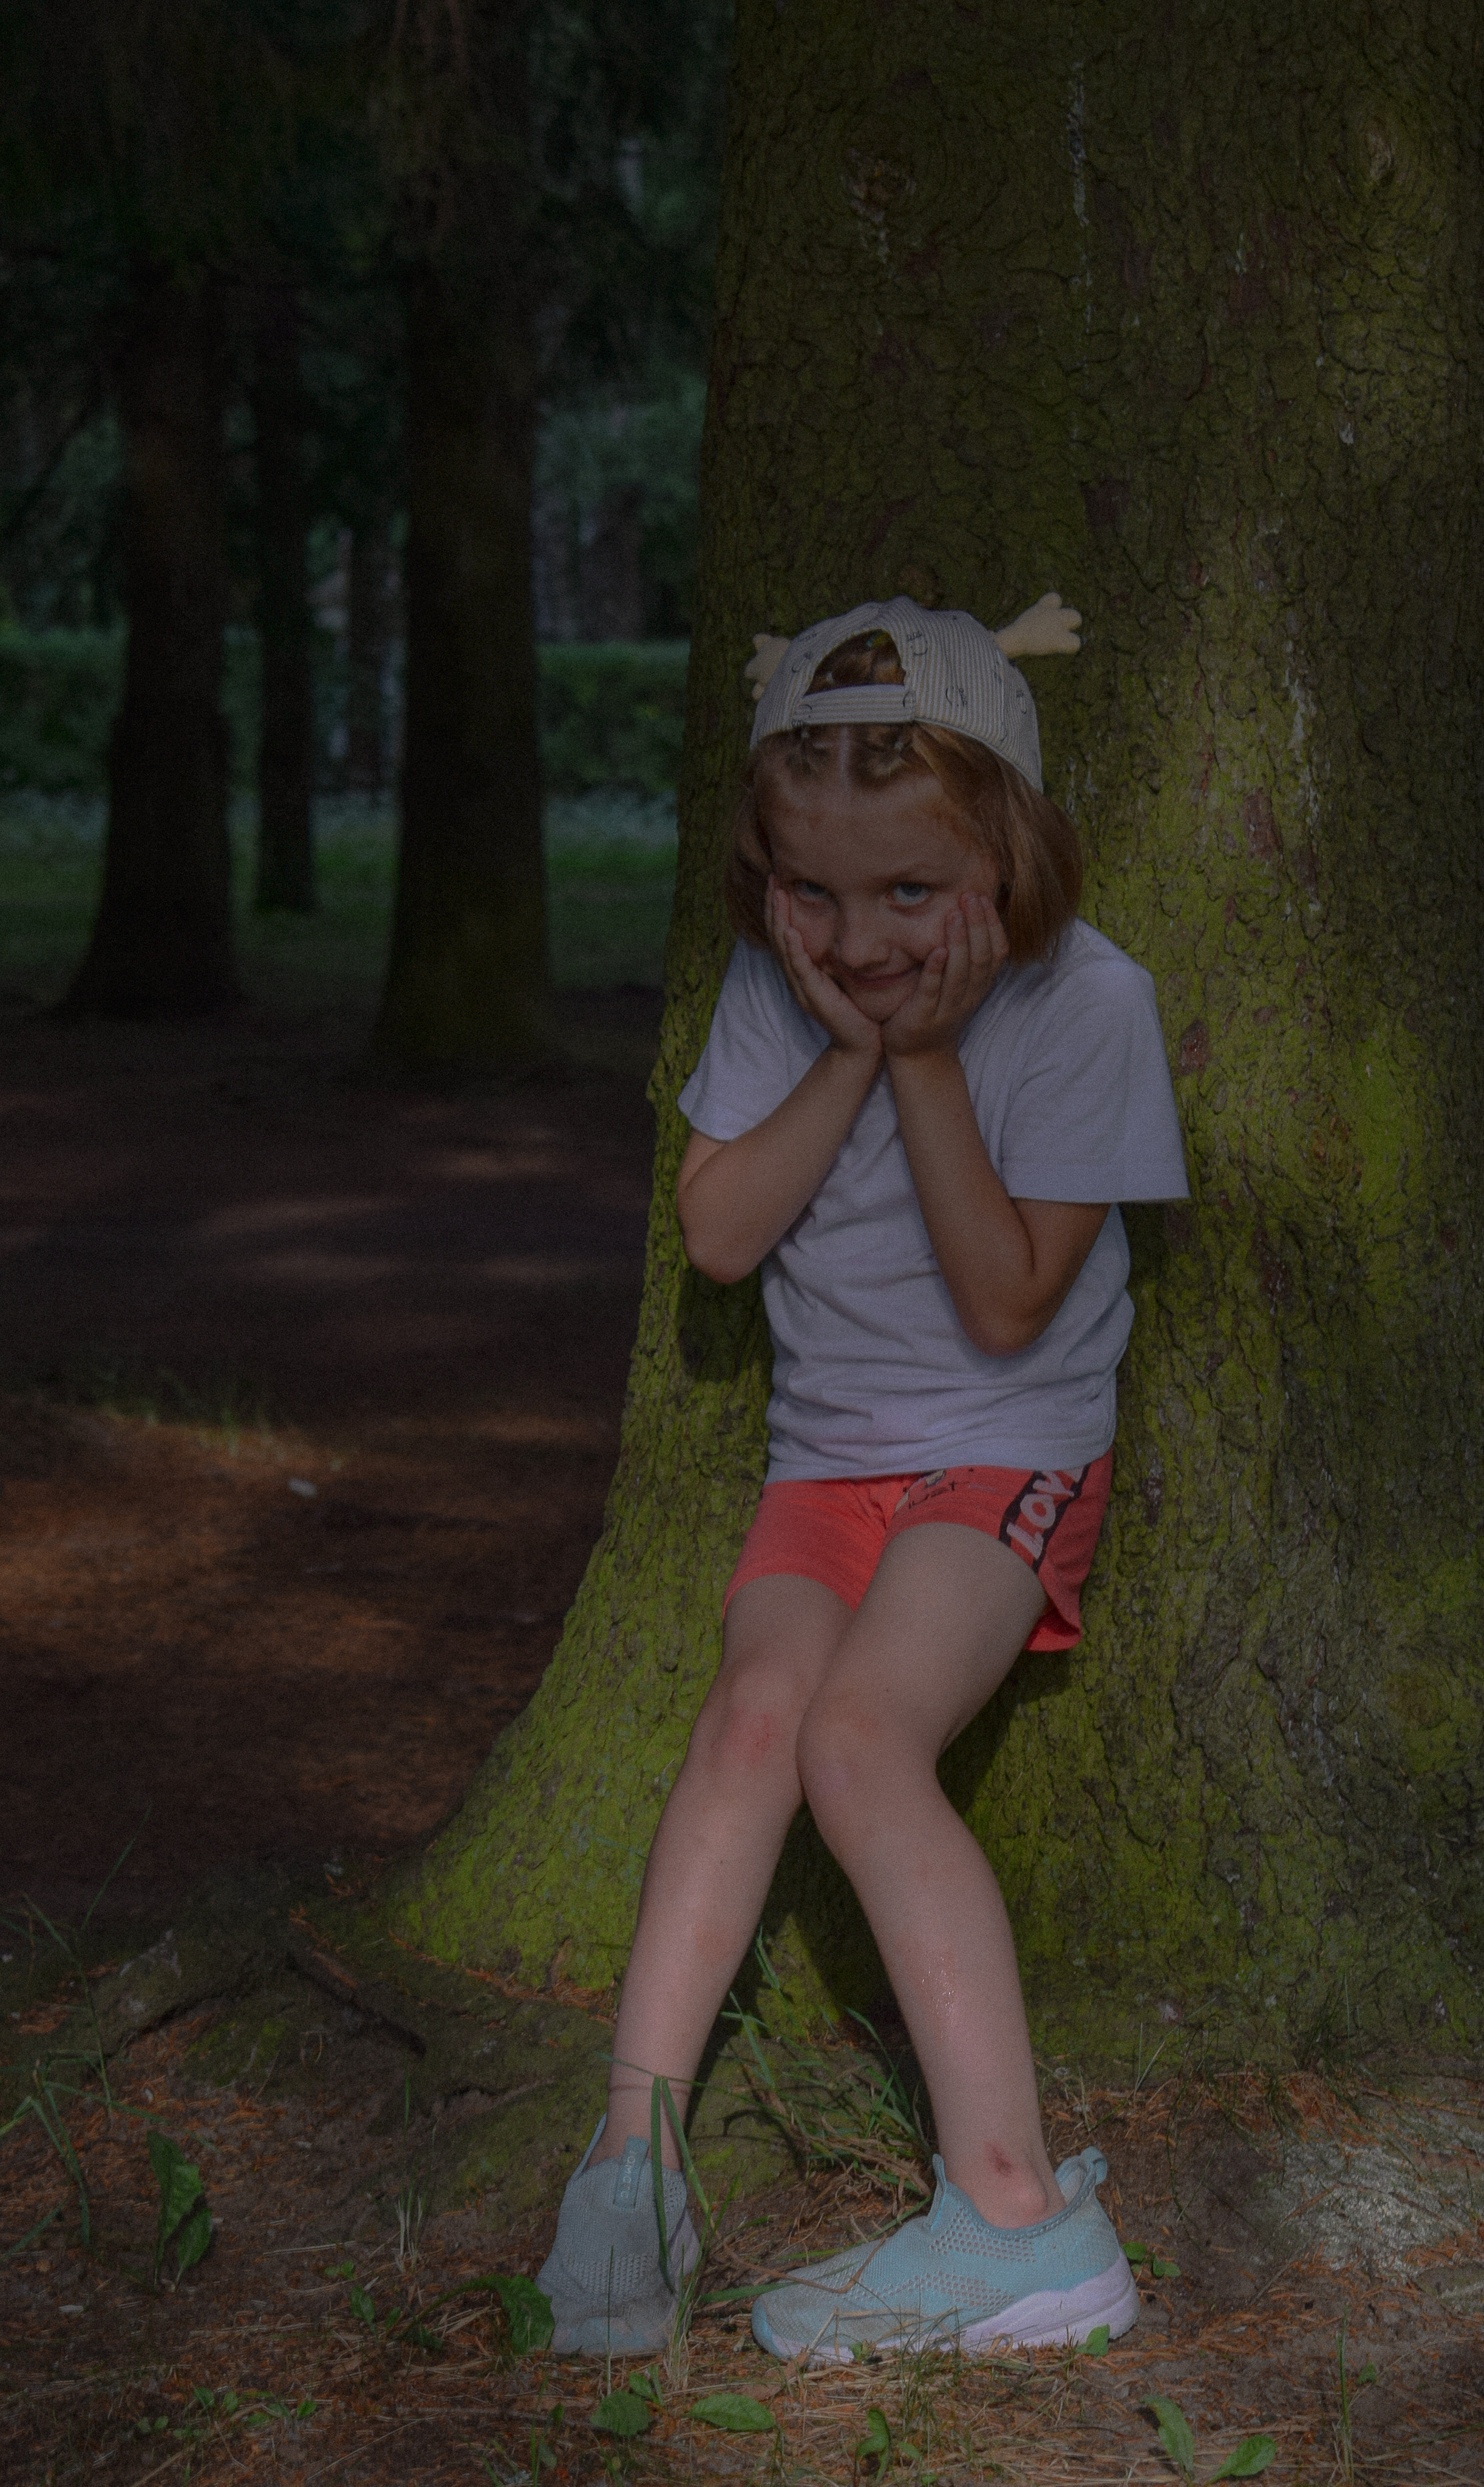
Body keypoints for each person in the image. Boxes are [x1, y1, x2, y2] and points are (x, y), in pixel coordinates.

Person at [537, 593, 1189, 2365]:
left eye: (913, 893)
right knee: (753, 1720)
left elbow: (1003, 1298)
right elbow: (721, 1234)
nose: (862, 932)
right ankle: (632, 2159)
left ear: (1009, 848)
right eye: (813, 892)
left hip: (1005, 1457)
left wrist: (917, 1060)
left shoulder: (1084, 1003)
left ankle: (1017, 2224)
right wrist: (844, 1041)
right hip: (828, 1464)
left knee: (851, 1740)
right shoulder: (786, 988)